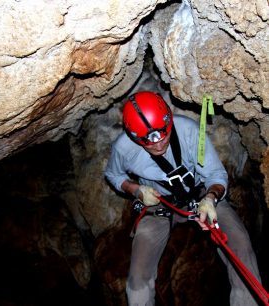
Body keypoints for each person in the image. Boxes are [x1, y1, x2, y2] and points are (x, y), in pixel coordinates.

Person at [104, 91, 262, 306]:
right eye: (149, 143)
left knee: (241, 248)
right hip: (159, 204)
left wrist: (211, 198)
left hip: (202, 197)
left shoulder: (188, 131)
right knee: (138, 279)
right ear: (135, 137)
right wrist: (135, 189)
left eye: (164, 136)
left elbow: (216, 175)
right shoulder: (124, 148)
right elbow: (113, 174)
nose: (159, 146)